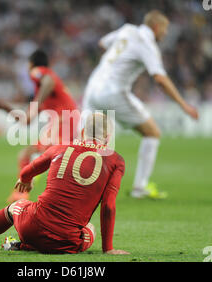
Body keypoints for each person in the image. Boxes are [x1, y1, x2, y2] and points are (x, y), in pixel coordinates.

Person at [0, 113, 129, 255]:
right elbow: (108, 205)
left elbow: (26, 171)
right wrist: (108, 248)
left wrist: (25, 180)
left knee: (16, 206)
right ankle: (23, 245)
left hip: (31, 228)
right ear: (108, 138)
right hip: (68, 243)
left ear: (83, 131)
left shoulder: (59, 147)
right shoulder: (116, 161)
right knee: (90, 229)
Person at [82, 10, 199, 199]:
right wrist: (183, 105)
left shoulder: (127, 30)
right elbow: (160, 79)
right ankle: (140, 187)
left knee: (87, 142)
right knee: (152, 132)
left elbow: (102, 43)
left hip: (93, 88)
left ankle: (75, 186)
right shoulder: (147, 44)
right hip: (113, 92)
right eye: (165, 29)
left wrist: (120, 59)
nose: (166, 33)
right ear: (156, 27)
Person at [0, 49, 79, 203]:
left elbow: (48, 80)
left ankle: (21, 194)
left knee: (32, 157)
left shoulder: (39, 72)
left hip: (63, 122)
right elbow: (26, 120)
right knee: (47, 160)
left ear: (31, 64)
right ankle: (69, 197)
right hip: (68, 123)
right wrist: (4, 107)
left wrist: (37, 101)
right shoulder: (46, 94)